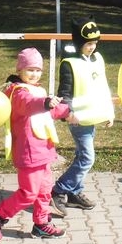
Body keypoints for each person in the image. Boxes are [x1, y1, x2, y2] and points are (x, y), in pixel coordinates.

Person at [0, 47, 74, 241]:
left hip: (43, 150)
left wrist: (66, 111)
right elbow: (29, 104)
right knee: (28, 193)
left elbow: (48, 111)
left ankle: (41, 224)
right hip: (28, 152)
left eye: (38, 70)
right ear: (20, 71)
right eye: (29, 70)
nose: (34, 74)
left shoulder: (38, 90)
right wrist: (46, 102)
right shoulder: (18, 92)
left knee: (44, 191)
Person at [50, 18, 114, 216]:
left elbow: (103, 87)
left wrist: (109, 111)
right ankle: (59, 189)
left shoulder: (98, 59)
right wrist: (68, 113)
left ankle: (74, 192)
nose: (92, 47)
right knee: (87, 158)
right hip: (78, 118)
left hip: (93, 116)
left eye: (95, 43)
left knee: (81, 155)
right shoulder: (69, 63)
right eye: (88, 44)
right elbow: (65, 92)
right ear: (79, 43)